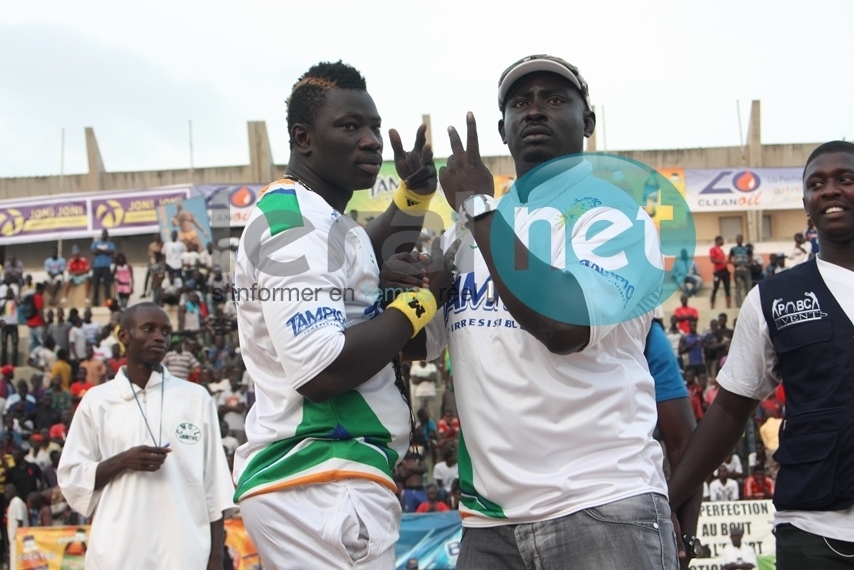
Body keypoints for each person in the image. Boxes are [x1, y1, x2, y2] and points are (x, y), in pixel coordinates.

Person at [387, 55, 677, 569]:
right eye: (520, 103)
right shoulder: (469, 234)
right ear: (503, 129)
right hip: (490, 523)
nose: (535, 111)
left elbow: (563, 326)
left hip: (600, 504)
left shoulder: (616, 219)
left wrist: (477, 206)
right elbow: (413, 343)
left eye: (555, 99)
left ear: (588, 122)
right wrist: (407, 232)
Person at [231, 60, 440, 570]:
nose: (371, 140)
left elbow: (357, 266)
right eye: (350, 127)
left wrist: (413, 197)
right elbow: (322, 371)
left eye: (373, 126)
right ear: (304, 138)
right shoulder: (297, 225)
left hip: (321, 480)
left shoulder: (311, 216)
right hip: (322, 478)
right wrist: (424, 301)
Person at [668, 141, 854, 568]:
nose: (829, 191)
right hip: (816, 532)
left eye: (845, 179)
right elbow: (731, 410)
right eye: (816, 184)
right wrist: (670, 503)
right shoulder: (772, 297)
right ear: (806, 205)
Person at [57, 302, 234, 569]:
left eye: (165, 331)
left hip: (184, 553)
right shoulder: (97, 401)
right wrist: (123, 461)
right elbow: (71, 476)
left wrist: (216, 557)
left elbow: (215, 486)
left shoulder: (195, 398)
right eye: (149, 329)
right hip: (117, 553)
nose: (159, 337)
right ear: (124, 336)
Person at [90, 229, 115, 306]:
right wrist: (105, 251)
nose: (104, 235)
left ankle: (108, 302)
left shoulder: (110, 244)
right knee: (95, 284)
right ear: (101, 235)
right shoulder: (95, 243)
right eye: (103, 234)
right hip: (97, 266)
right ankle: (95, 301)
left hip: (106, 267)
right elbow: (93, 252)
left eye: (106, 234)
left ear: (107, 236)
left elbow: (111, 252)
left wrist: (100, 250)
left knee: (107, 284)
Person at [5, 483, 28, 566]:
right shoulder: (12, 503)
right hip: (14, 541)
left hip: (18, 540)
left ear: (13, 491)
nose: (5, 494)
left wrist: (17, 537)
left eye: (7, 492)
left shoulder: (17, 502)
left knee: (18, 565)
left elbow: (20, 521)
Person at [729, 234, 751, 307]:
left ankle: (748, 304)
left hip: (746, 269)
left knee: (748, 287)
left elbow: (751, 258)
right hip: (738, 269)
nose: (739, 240)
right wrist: (734, 263)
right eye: (737, 239)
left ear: (742, 239)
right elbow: (729, 259)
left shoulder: (747, 249)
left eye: (740, 239)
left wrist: (749, 264)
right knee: (738, 288)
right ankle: (739, 305)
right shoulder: (733, 249)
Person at [710, 235, 731, 309]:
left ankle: (728, 307)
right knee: (715, 289)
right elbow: (712, 260)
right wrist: (722, 261)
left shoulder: (721, 250)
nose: (723, 242)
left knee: (727, 289)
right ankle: (712, 306)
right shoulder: (713, 249)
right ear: (718, 241)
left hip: (725, 271)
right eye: (722, 240)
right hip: (718, 271)